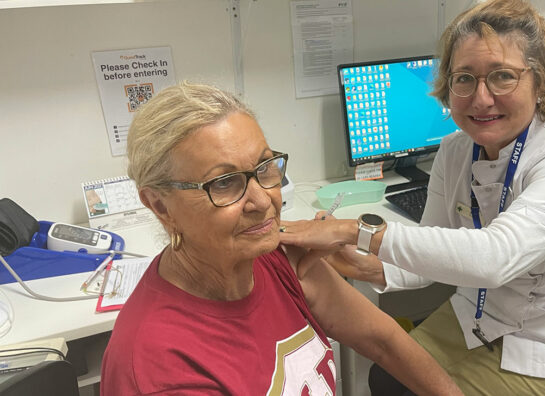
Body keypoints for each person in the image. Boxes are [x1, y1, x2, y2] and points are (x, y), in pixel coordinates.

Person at [279, 0, 545, 394]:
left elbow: (495, 258)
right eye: (464, 78)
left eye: (502, 76)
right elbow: (435, 249)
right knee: (388, 377)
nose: (480, 98)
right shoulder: (455, 150)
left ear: (541, 83)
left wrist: (352, 232)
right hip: (484, 315)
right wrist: (365, 266)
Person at [100, 82, 464, 396]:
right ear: (160, 205)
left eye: (264, 168)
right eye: (224, 183)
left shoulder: (278, 257)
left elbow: (384, 343)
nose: (263, 201)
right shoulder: (160, 368)